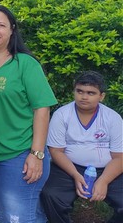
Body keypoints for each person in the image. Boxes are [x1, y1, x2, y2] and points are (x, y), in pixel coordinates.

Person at [0, 5, 57, 223]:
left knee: (18, 218)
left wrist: (37, 154)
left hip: (20, 153)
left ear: (12, 30)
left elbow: (42, 109)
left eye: (1, 25)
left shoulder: (25, 64)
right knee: (7, 211)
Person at [40, 71, 122, 223]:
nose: (84, 97)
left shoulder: (113, 118)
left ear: (101, 96)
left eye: (91, 93)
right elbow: (56, 151)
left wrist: (103, 180)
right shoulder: (62, 115)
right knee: (51, 195)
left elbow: (119, 157)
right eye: (80, 91)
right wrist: (75, 175)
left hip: (107, 170)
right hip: (69, 168)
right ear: (74, 92)